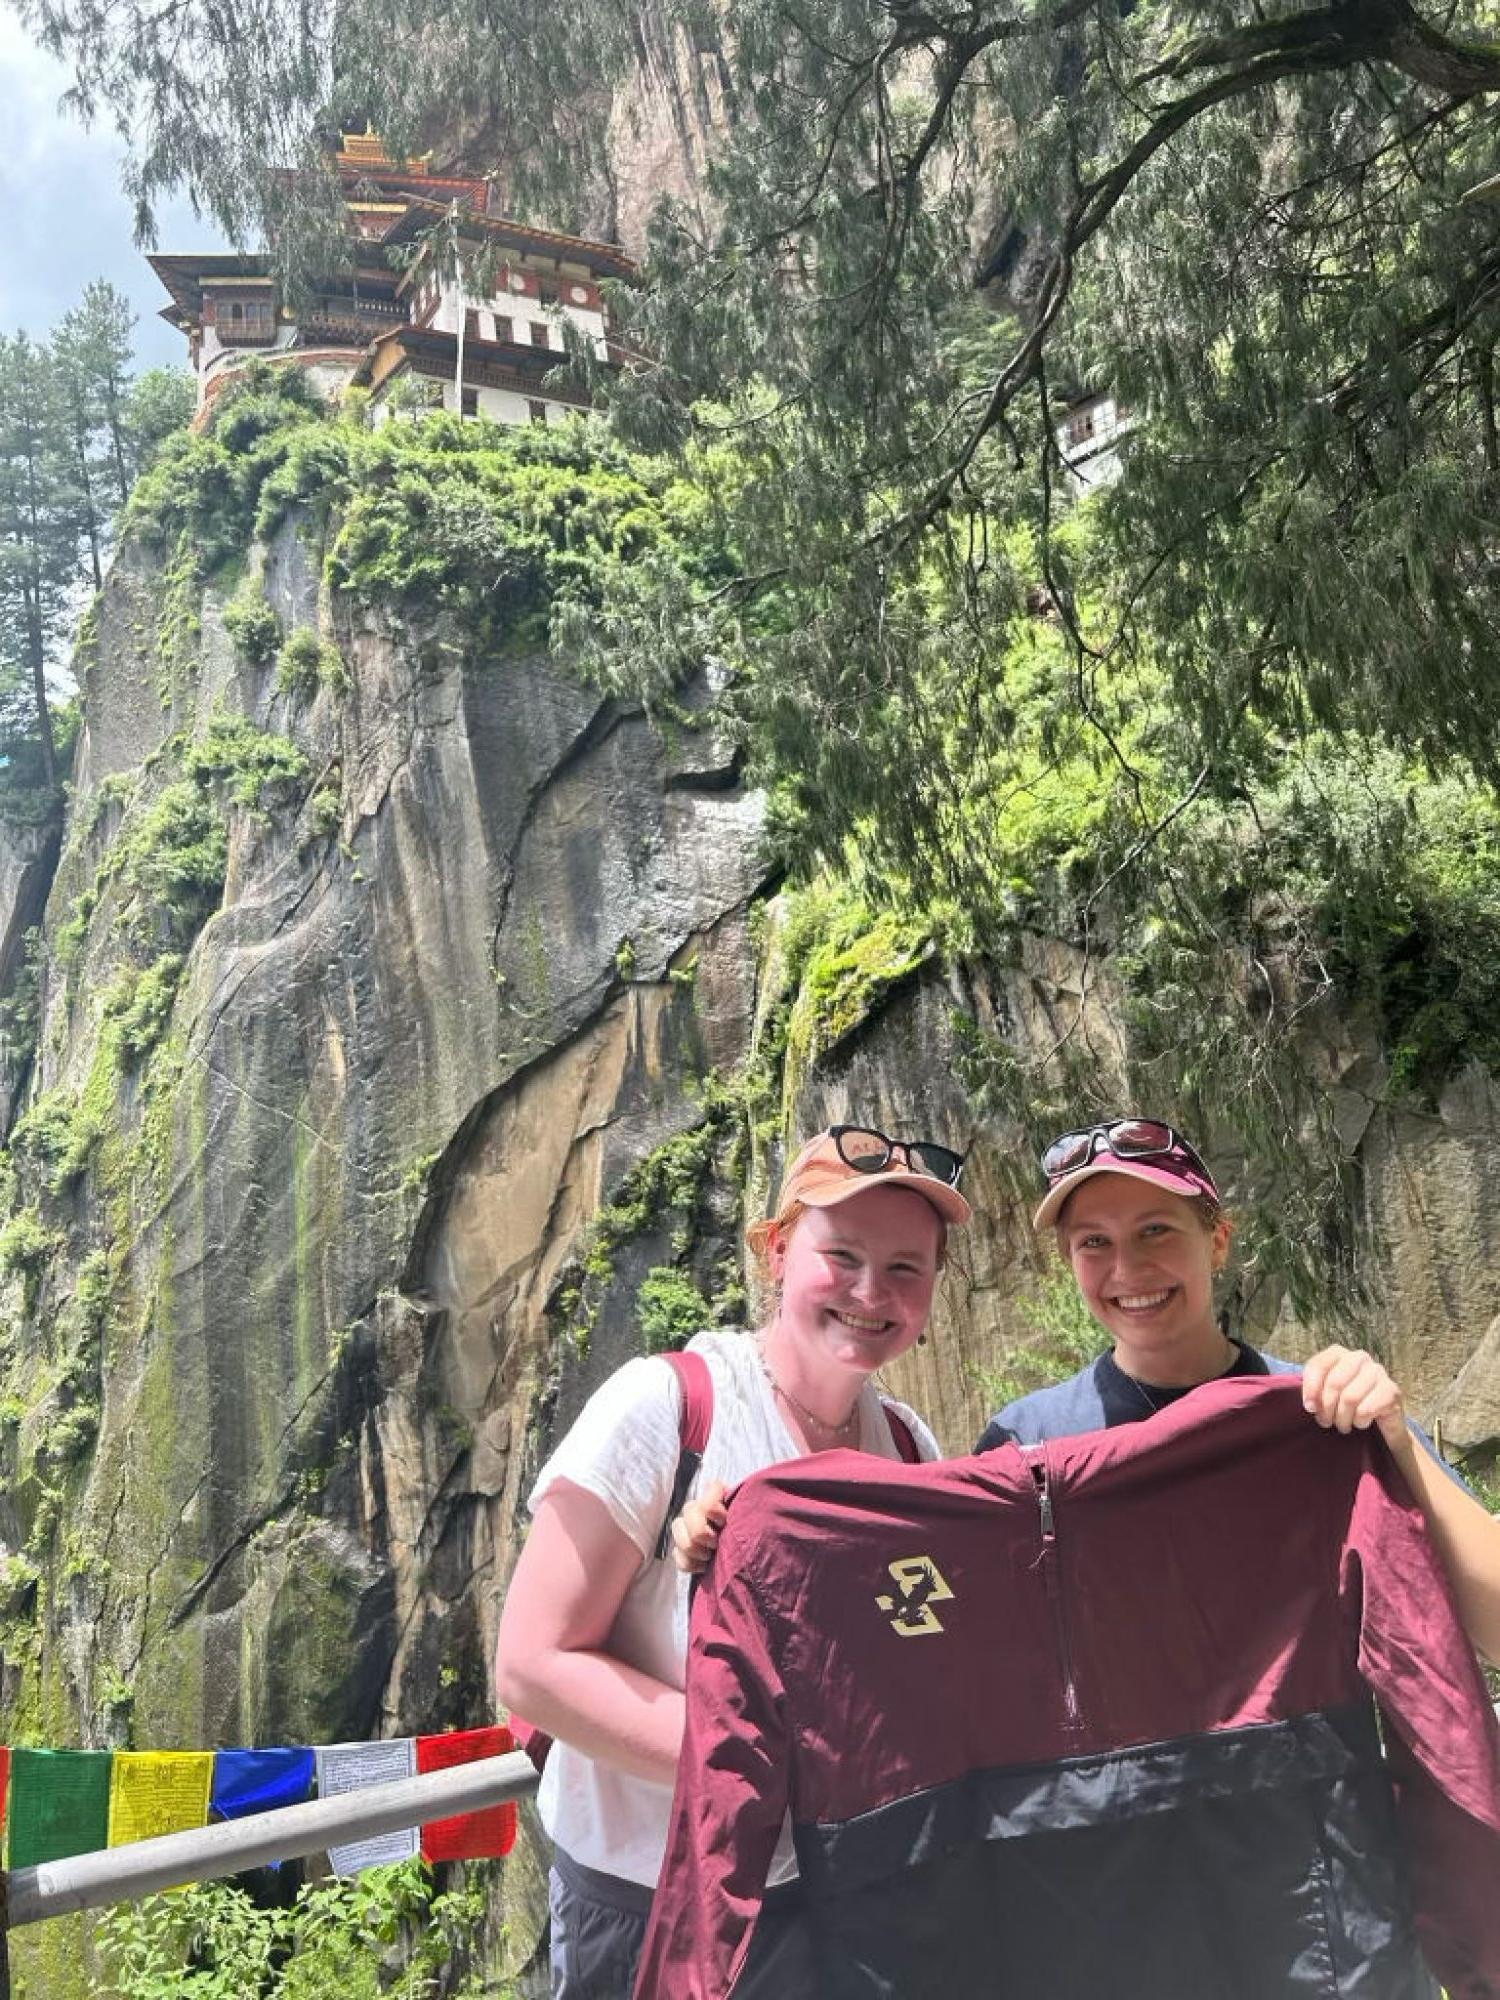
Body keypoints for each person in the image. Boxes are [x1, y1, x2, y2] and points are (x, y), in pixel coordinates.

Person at [492, 1123, 971, 2000]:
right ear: (778, 1248)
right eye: (842, 1255)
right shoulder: (667, 1408)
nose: (873, 1291)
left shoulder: (908, 1446)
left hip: (828, 1889)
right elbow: (531, 1665)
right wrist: (755, 1763)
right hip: (651, 1898)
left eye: (908, 1267)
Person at [976, 1115, 1500, 1663]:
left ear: (1219, 1241)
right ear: (1070, 1263)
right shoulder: (1027, 1444)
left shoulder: (1322, 1412)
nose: (1127, 1268)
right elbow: (990, 1662)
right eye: (1094, 1242)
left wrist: (1396, 1440)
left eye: (1156, 1229)